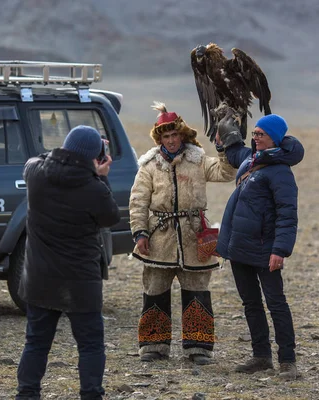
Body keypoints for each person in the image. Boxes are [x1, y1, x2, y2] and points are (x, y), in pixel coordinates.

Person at [16, 125, 120, 400]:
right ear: (96, 157)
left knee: (36, 342)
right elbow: (110, 217)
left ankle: (27, 394)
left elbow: (33, 160)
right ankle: (91, 395)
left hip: (39, 276)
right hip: (80, 280)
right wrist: (102, 178)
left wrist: (67, 154)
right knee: (90, 345)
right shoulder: (93, 188)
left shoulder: (36, 174)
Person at [129, 102, 236, 365]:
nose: (171, 140)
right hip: (159, 237)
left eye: (174, 135)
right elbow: (138, 201)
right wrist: (140, 233)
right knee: (154, 291)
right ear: (160, 139)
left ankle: (198, 347)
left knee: (197, 291)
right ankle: (153, 346)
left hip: (195, 236)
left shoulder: (199, 160)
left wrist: (224, 149)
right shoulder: (149, 166)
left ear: (182, 134)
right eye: (166, 136)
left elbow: (226, 172)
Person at [214, 112, 304, 381]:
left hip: (266, 251)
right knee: (251, 303)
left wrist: (280, 250)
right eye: (253, 133)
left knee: (276, 304)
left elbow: (288, 214)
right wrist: (224, 137)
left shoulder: (280, 172)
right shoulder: (252, 159)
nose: (255, 137)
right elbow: (234, 154)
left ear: (274, 138)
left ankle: (287, 361)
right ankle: (261, 357)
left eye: (260, 134)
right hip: (240, 247)